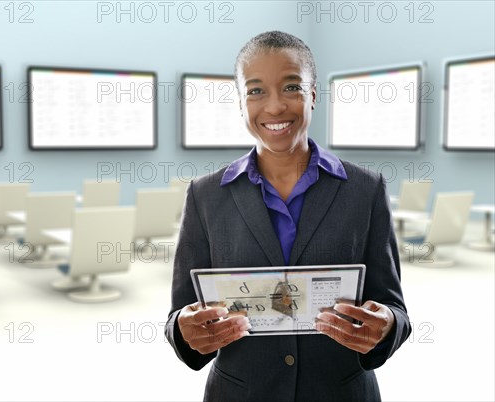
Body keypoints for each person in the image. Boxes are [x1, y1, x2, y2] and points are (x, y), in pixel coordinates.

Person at [165, 31, 410, 402]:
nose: (275, 106)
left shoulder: (366, 189)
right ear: (241, 102)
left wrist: (387, 325)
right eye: (256, 90)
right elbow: (178, 315)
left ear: (313, 96)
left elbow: (395, 308)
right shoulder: (205, 195)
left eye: (292, 87)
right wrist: (184, 331)